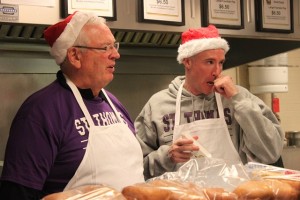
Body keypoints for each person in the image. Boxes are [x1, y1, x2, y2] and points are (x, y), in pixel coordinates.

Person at [0, 11, 144, 199]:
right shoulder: (41, 112)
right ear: (75, 56)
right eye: (105, 47)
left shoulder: (113, 103)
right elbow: (17, 194)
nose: (116, 54)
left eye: (114, 46)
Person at [135, 25, 285, 180]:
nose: (217, 71)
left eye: (220, 63)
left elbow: (271, 152)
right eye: (209, 62)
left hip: (232, 195)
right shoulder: (158, 105)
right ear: (188, 62)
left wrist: (238, 100)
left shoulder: (240, 98)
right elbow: (136, 168)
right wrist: (167, 157)